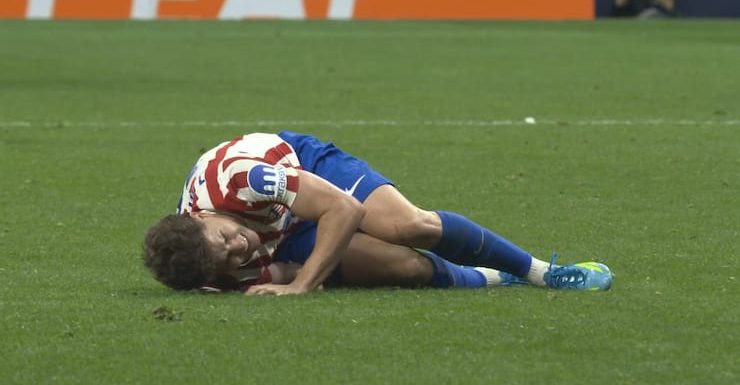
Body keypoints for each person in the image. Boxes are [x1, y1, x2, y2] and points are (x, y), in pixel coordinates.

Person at [143, 131, 613, 295]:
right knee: (406, 268)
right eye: (228, 258)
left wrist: (304, 285)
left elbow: (341, 208)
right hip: (284, 230)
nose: (238, 249)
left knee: (408, 227)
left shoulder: (239, 179)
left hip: (308, 171)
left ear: (201, 218)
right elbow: (276, 269)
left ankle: (541, 273)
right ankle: (497, 276)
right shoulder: (211, 270)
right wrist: (289, 277)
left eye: (225, 239)